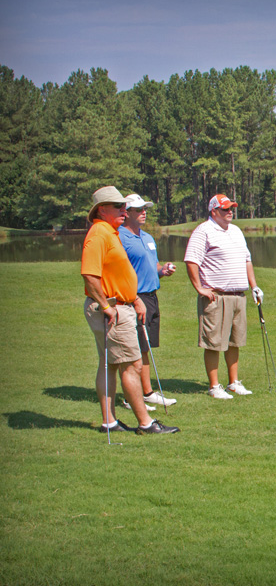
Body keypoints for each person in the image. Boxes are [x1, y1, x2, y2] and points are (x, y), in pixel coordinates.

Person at [81, 186, 179, 434]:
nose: (124, 211)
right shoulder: (98, 234)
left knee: (110, 365)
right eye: (118, 207)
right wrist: (106, 306)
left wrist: (134, 297)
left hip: (124, 303)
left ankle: (110, 422)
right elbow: (90, 276)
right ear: (101, 210)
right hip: (112, 308)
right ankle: (145, 423)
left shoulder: (111, 232)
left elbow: (117, 274)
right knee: (132, 365)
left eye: (125, 207)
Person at [184, 194, 263, 399]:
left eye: (231, 208)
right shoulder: (204, 231)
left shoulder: (236, 231)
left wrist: (254, 286)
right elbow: (192, 260)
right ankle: (214, 386)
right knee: (214, 342)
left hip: (238, 295)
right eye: (226, 209)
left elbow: (247, 260)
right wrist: (199, 288)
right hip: (216, 296)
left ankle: (233, 382)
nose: (230, 212)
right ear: (214, 211)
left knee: (235, 341)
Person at [119, 193, 178, 411]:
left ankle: (146, 392)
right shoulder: (120, 237)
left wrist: (162, 270)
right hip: (133, 299)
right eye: (138, 209)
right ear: (126, 213)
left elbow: (152, 266)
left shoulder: (148, 238)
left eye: (145, 208)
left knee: (145, 348)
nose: (144, 212)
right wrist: (133, 300)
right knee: (132, 349)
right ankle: (131, 395)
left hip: (151, 297)